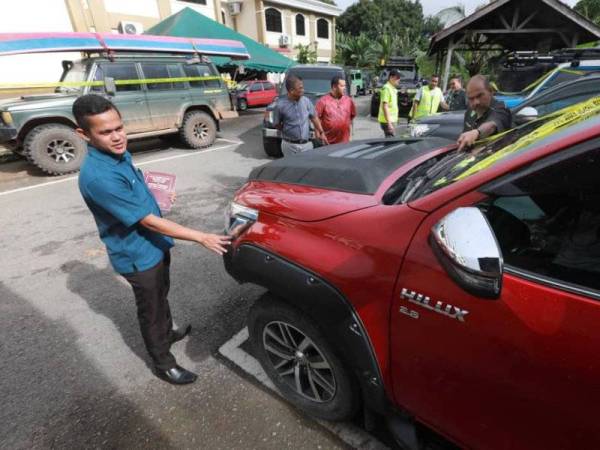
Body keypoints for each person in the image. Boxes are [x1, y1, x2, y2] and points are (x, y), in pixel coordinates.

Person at [74, 95, 231, 385]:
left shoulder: (119, 154)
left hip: (155, 245)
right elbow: (145, 220)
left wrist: (158, 196)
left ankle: (166, 333)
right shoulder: (97, 176)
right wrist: (200, 236)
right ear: (83, 134)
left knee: (161, 295)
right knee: (151, 309)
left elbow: (137, 189)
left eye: (119, 127)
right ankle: (162, 362)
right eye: (106, 132)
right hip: (137, 255)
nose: (117, 137)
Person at [274, 75, 327, 156]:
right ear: (291, 90)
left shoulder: (306, 101)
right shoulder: (280, 105)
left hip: (306, 146)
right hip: (289, 146)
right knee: (291, 168)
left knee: (305, 168)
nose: (303, 90)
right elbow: (277, 124)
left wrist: (321, 132)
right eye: (300, 88)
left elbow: (314, 118)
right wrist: (288, 130)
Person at [457, 75, 512, 151]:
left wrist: (476, 133)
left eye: (479, 96)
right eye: (471, 98)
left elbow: (492, 125)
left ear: (491, 92)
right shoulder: (469, 113)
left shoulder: (501, 108)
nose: (476, 102)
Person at [315, 75, 357, 145]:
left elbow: (351, 117)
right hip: (328, 143)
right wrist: (318, 134)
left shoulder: (349, 101)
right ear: (334, 87)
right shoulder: (323, 101)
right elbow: (316, 118)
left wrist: (349, 133)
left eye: (345, 86)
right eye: (342, 86)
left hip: (345, 142)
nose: (345, 88)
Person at [378, 69, 401, 138]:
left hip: (391, 120)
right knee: (391, 142)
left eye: (399, 78)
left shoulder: (392, 88)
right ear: (391, 78)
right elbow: (385, 106)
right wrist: (389, 123)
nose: (399, 80)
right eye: (397, 78)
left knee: (390, 141)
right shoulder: (386, 88)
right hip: (387, 121)